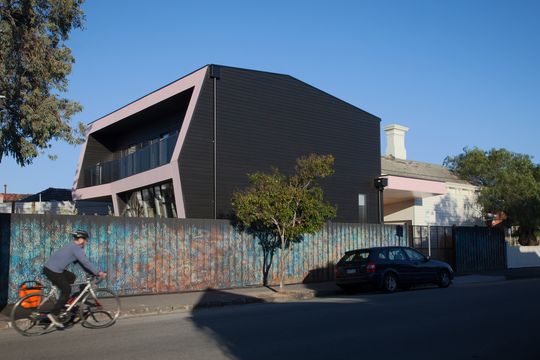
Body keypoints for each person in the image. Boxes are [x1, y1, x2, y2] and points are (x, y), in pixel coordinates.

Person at [43, 229, 106, 328]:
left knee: (71, 277)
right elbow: (85, 262)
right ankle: (54, 314)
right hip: (53, 271)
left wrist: (89, 272)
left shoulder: (71, 245)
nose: (85, 242)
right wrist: (98, 272)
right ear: (81, 239)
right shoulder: (76, 249)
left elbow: (79, 263)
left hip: (50, 268)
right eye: (85, 240)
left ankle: (64, 301)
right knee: (67, 290)